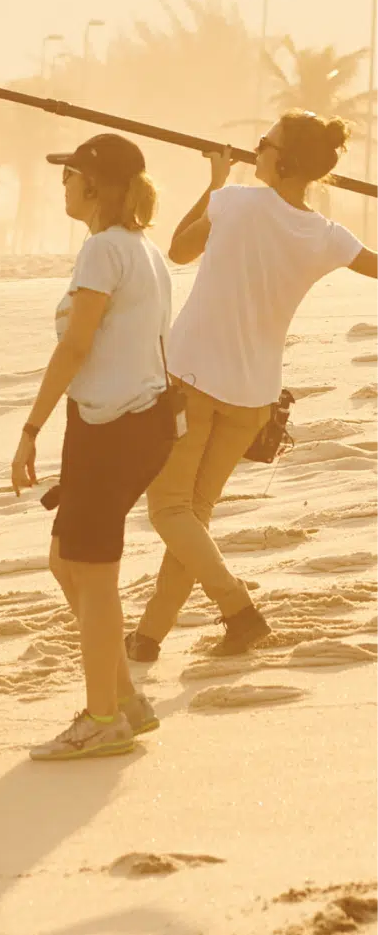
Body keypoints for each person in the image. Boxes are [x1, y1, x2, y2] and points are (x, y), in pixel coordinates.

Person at [127, 112, 378, 662]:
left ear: (282, 159)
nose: (257, 148)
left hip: (191, 377)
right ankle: (148, 637)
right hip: (254, 395)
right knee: (193, 512)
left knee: (169, 509)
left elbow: (178, 249)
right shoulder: (328, 236)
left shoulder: (234, 201)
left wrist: (214, 182)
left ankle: (240, 611)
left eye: (265, 143)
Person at [10, 135, 172, 761]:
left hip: (116, 427)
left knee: (94, 574)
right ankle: (126, 699)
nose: (63, 184)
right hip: (123, 421)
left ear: (96, 187)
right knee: (66, 561)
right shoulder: (136, 248)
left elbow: (75, 345)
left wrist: (30, 429)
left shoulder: (106, 250)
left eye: (70, 174)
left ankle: (103, 717)